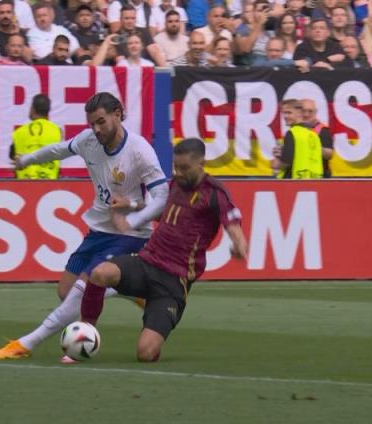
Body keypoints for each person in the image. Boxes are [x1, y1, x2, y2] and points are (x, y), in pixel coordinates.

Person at [0, 92, 168, 361]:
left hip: (129, 234)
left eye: (101, 122)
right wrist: (26, 160)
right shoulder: (88, 141)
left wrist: (132, 219)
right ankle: (126, 289)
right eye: (91, 124)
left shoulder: (139, 150)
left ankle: (26, 344)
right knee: (65, 291)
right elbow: (58, 150)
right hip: (99, 229)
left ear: (118, 114)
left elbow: (162, 197)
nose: (96, 129)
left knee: (82, 291)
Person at [80, 137, 248, 363]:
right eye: (175, 167)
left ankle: (155, 319)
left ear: (201, 164)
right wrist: (131, 206)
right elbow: (160, 211)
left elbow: (232, 223)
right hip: (146, 262)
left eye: (184, 168)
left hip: (173, 281)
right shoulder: (176, 184)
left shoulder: (214, 192)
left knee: (145, 354)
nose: (178, 173)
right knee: (100, 273)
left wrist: (239, 244)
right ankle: (84, 333)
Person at [10, 94, 63, 179]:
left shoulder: (18, 132)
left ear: (33, 109)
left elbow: (13, 157)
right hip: (49, 182)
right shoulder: (58, 131)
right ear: (47, 111)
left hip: (24, 183)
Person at [272, 99, 323, 179]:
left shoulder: (292, 133)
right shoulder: (313, 134)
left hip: (294, 180)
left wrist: (275, 163)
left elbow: (286, 161)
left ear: (299, 113)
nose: (285, 116)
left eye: (289, 113)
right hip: (314, 180)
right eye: (284, 113)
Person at [300, 98, 334, 177]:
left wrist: (313, 144)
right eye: (303, 111)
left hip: (319, 176)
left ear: (315, 112)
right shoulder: (295, 129)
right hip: (301, 174)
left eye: (310, 111)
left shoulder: (323, 130)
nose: (306, 114)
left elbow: (329, 154)